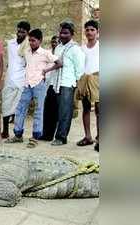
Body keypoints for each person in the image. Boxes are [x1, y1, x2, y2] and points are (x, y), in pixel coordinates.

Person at [6, 29, 62, 148]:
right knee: (20, 108)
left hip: (39, 85)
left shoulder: (45, 53)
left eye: (33, 40)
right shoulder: (27, 52)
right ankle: (18, 134)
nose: (31, 43)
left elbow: (59, 63)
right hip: (27, 84)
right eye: (30, 40)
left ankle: (35, 137)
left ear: (40, 41)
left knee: (38, 110)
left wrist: (46, 71)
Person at [50, 22, 85, 146]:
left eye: (66, 33)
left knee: (65, 111)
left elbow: (80, 69)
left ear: (72, 34)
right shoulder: (58, 47)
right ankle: (49, 134)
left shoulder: (75, 49)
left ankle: (61, 137)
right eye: (61, 33)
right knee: (55, 111)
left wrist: (77, 85)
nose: (63, 35)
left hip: (67, 84)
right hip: (55, 83)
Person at [1, 21, 31, 139]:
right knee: (6, 105)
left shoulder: (29, 46)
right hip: (9, 79)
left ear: (27, 33)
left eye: (23, 32)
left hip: (21, 80)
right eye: (18, 31)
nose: (19, 33)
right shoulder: (10, 43)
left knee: (19, 108)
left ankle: (18, 134)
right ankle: (5, 131)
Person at [76, 20, 99, 151]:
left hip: (98, 78)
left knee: (100, 110)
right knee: (85, 108)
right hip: (85, 78)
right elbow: (80, 66)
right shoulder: (82, 49)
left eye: (92, 30)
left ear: (97, 32)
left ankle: (100, 138)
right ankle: (88, 137)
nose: (89, 32)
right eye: (87, 30)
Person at [40, 35, 60, 141]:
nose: (54, 43)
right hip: (46, 84)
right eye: (53, 41)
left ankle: (52, 134)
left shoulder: (60, 54)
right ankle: (46, 134)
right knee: (46, 110)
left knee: (54, 111)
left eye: (56, 42)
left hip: (55, 85)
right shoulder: (47, 53)